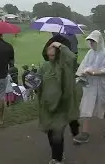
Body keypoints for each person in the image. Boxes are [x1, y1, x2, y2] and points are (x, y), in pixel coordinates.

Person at [37, 34, 80, 164]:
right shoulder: (44, 66)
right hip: (47, 106)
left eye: (53, 48)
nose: (50, 50)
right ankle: (57, 154)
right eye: (48, 48)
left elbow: (72, 58)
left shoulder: (65, 66)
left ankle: (57, 158)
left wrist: (60, 45)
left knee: (57, 133)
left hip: (61, 105)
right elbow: (39, 84)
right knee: (50, 132)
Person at [73, 30, 105, 144]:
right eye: (90, 41)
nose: (91, 44)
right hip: (91, 85)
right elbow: (84, 66)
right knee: (86, 107)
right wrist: (83, 73)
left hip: (104, 86)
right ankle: (85, 133)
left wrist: (93, 72)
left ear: (99, 41)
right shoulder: (90, 53)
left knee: (104, 111)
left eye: (93, 41)